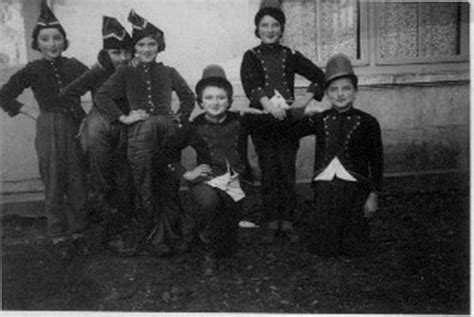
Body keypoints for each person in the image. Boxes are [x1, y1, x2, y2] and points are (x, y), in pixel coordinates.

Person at [95, 10, 195, 256]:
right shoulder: (126, 72)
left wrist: (179, 117)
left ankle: (173, 233)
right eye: (141, 44)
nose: (147, 49)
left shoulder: (168, 72)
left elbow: (188, 96)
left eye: (152, 44)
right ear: (135, 48)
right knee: (146, 185)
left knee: (170, 182)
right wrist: (124, 117)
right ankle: (156, 238)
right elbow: (102, 96)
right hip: (140, 135)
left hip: (167, 132)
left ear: (159, 46)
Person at [0, 1, 89, 259]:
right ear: (37, 43)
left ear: (64, 40)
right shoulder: (33, 69)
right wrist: (32, 112)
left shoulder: (74, 65)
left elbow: (101, 84)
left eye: (57, 38)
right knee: (53, 180)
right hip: (48, 127)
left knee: (77, 180)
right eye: (46, 39)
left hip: (74, 126)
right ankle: (58, 235)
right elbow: (5, 94)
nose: (52, 44)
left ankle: (79, 232)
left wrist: (87, 117)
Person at [161, 65, 263, 275]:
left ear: (230, 101)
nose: (215, 103)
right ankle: (207, 253)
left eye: (221, 98)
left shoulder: (241, 121)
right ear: (200, 102)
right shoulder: (193, 126)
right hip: (207, 181)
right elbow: (165, 152)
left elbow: (273, 122)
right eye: (209, 98)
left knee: (227, 246)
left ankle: (206, 237)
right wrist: (186, 173)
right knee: (208, 202)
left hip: (236, 183)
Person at [240, 6, 325, 243]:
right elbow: (252, 85)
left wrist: (304, 100)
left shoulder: (290, 54)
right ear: (257, 29)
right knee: (269, 171)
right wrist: (269, 107)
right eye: (265, 25)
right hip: (263, 120)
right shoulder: (251, 56)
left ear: (282, 29)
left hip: (288, 121)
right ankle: (271, 222)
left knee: (287, 170)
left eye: (275, 25)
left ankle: (287, 222)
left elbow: (319, 76)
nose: (270, 30)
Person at [290, 54, 383, 257]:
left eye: (346, 88)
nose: (340, 94)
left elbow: (377, 162)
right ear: (327, 94)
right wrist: (303, 111)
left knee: (353, 248)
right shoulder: (320, 119)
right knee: (324, 248)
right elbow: (291, 130)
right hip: (325, 186)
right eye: (334, 90)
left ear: (355, 92)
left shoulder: (368, 122)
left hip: (355, 186)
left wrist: (373, 195)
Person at [60, 16, 134, 252]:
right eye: (115, 53)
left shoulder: (134, 71)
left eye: (126, 52)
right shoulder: (97, 71)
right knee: (101, 178)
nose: (122, 58)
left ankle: (123, 231)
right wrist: (83, 117)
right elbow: (69, 94)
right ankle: (102, 233)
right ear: (106, 53)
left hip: (126, 125)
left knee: (124, 177)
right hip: (101, 127)